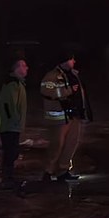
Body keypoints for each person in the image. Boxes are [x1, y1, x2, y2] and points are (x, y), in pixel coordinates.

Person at [40, 51, 91, 182]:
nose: (74, 62)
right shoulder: (51, 76)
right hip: (59, 119)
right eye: (71, 59)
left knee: (71, 144)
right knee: (57, 145)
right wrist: (68, 91)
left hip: (74, 116)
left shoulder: (74, 75)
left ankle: (63, 170)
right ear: (64, 61)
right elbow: (46, 91)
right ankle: (48, 171)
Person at [0, 58, 29, 189]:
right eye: (24, 65)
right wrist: (14, 122)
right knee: (10, 153)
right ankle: (7, 179)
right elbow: (8, 105)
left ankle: (8, 178)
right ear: (17, 69)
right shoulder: (12, 84)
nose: (27, 68)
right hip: (10, 126)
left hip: (11, 125)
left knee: (11, 153)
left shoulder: (17, 84)